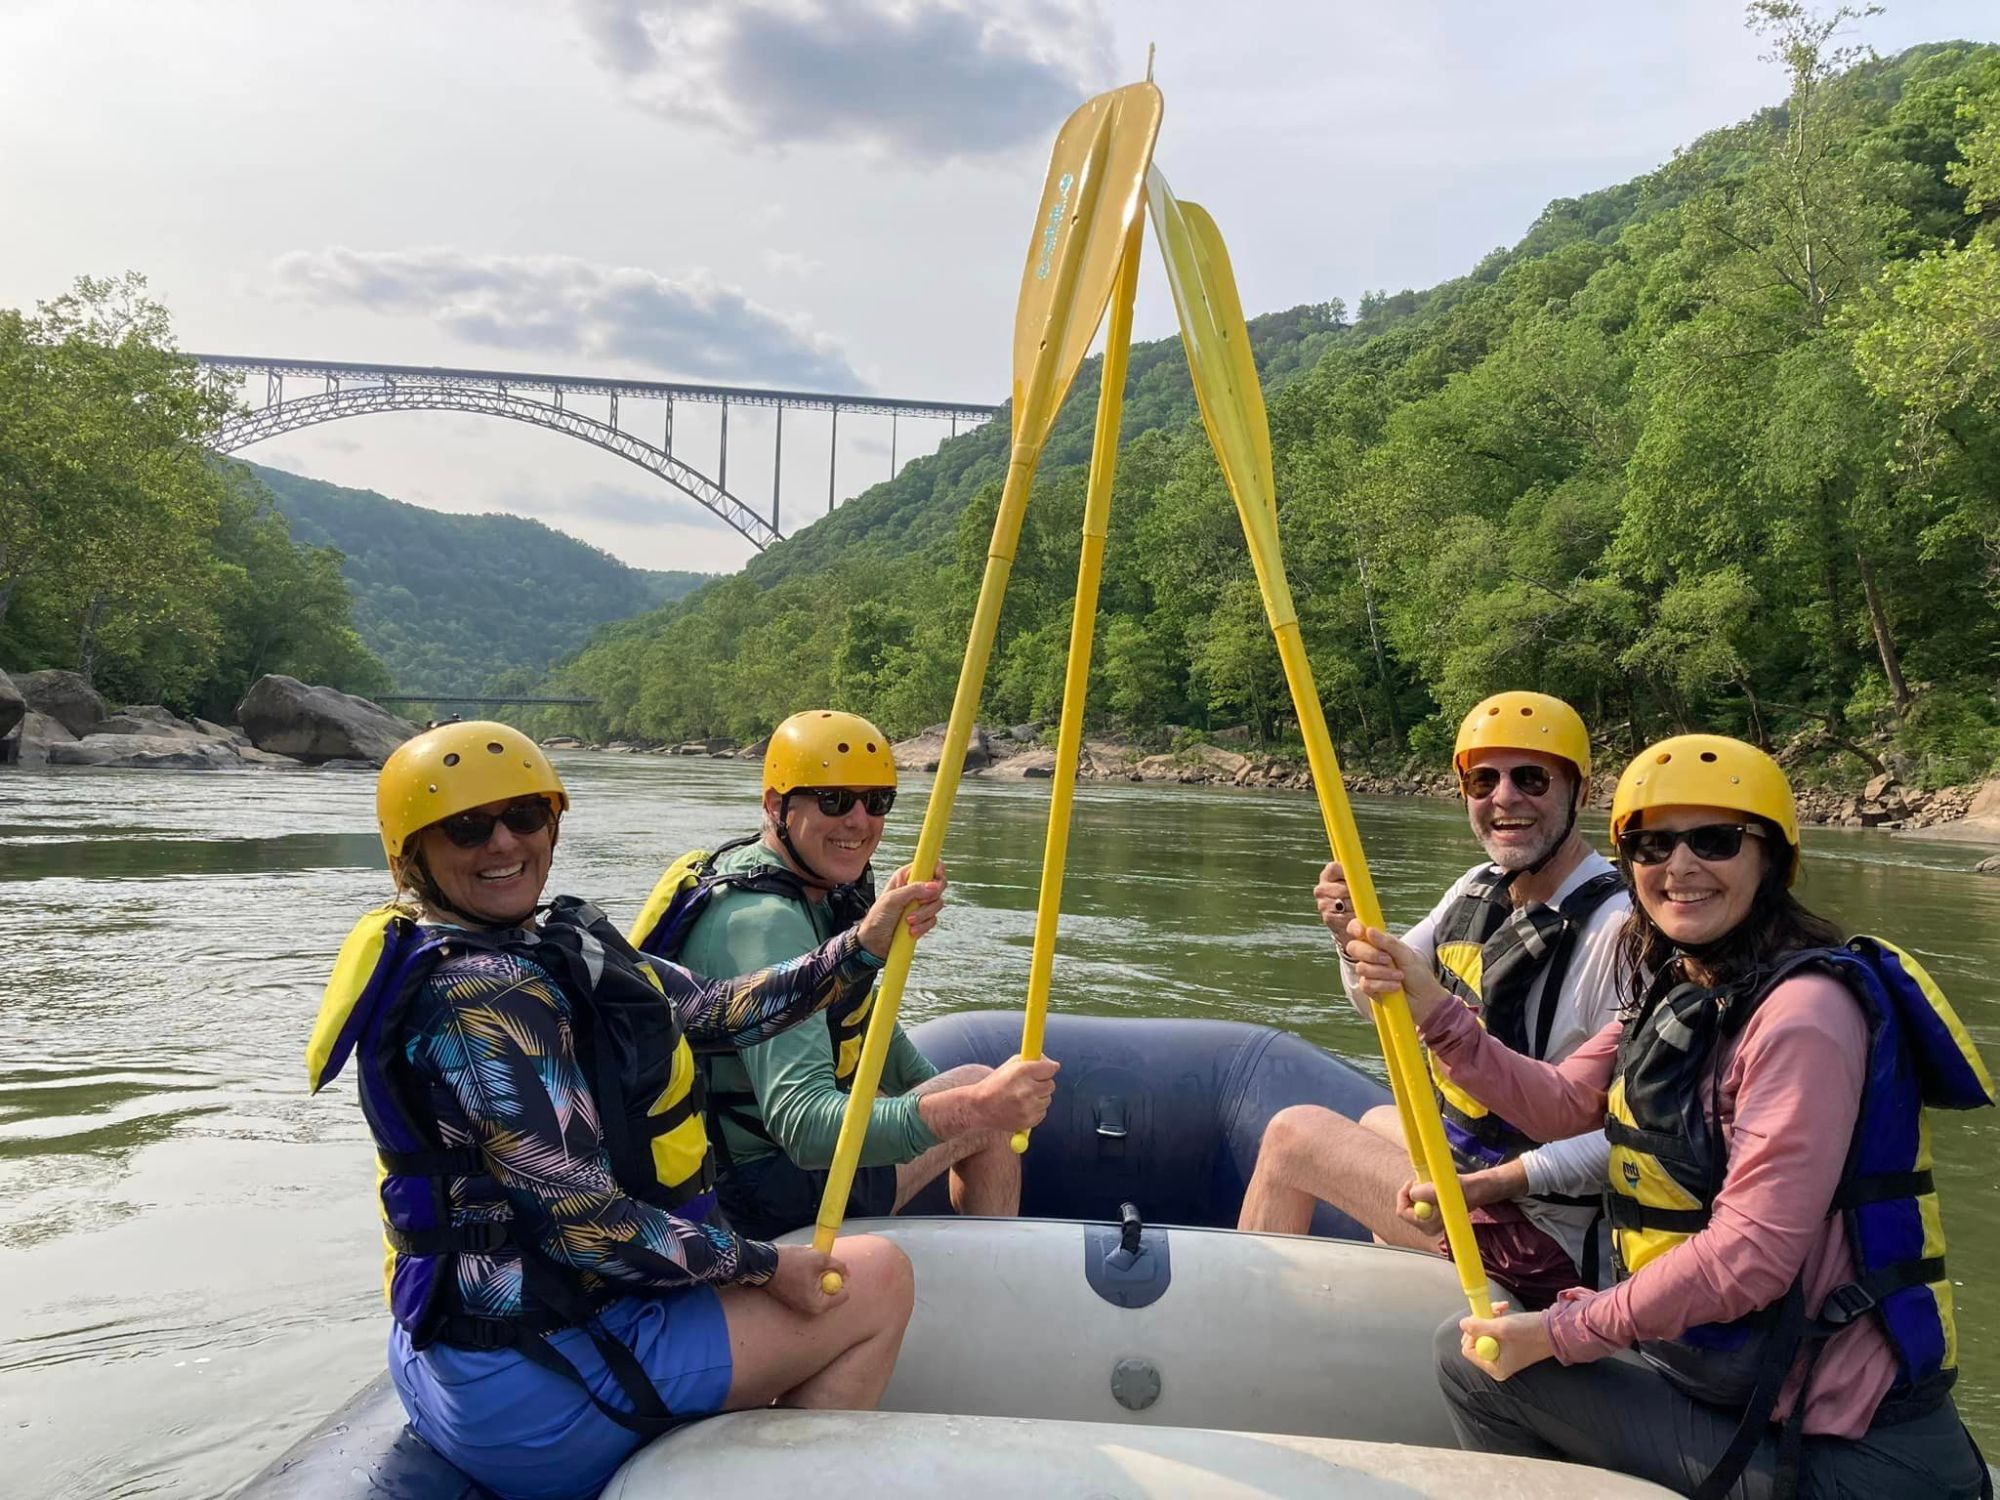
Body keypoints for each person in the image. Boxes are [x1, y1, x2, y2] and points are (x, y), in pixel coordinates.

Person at [307, 721, 949, 1500]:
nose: (503, 843)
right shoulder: (479, 1000)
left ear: (552, 825)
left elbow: (718, 1009)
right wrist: (765, 1265)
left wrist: (864, 943)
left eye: (524, 817)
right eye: (467, 828)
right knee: (877, 1281)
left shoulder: (548, 943)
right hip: (533, 1384)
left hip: (506, 1343)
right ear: (412, 855)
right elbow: (588, 1228)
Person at [1342, 733, 1992, 1498]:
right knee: (1487, 1352)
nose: (1679, 867)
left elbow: (1750, 1254)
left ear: (1773, 859)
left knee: (1477, 1368)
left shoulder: (1805, 1017)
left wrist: (1562, 1329)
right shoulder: (1687, 988)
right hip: (1735, 1386)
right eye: (1651, 846)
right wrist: (1434, 1008)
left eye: (1715, 840)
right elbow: (1558, 1105)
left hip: (1845, 1454)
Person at [1237, 691, 1625, 1308]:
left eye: (1531, 778)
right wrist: (1349, 938)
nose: (1504, 798)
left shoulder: (1617, 930)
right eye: (1483, 781)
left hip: (1545, 1239)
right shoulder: (1477, 887)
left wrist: (1492, 1186)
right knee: (1375, 1120)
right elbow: (1382, 1008)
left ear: (1580, 791)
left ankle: (1243, 1321)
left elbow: (1627, 1140)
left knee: (1294, 1136)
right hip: (1483, 1180)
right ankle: (1405, 1303)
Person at [631, 709, 1056, 1240]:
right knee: (975, 1092)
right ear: (776, 805)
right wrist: (973, 1108)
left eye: (876, 801)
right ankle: (997, 1279)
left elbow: (867, 1029)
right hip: (756, 1192)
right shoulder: (764, 923)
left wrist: (943, 1094)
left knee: (962, 1096)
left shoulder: (808, 891)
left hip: (755, 1169)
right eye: (833, 800)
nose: (859, 821)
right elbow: (805, 1125)